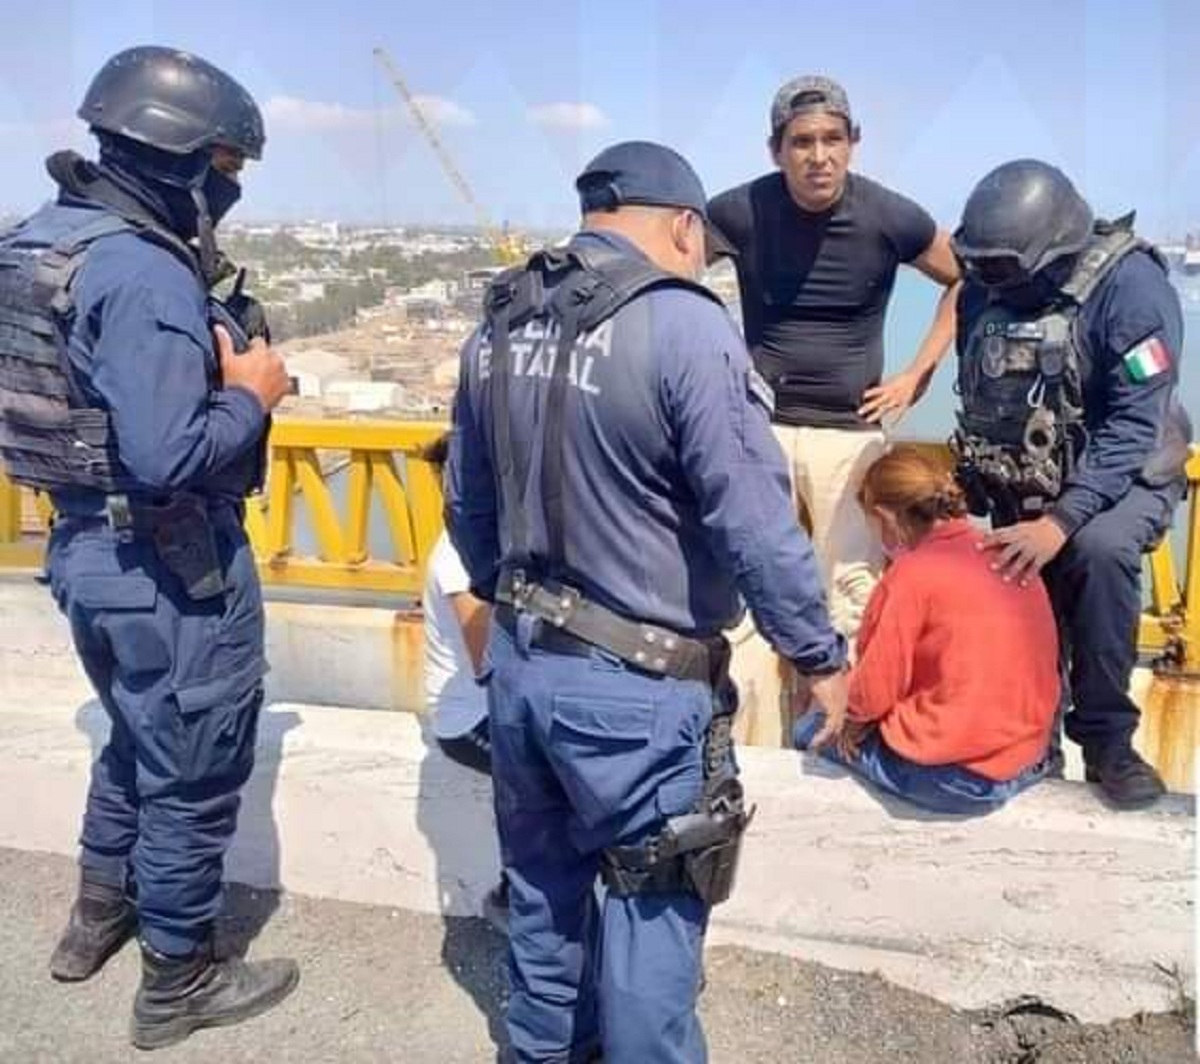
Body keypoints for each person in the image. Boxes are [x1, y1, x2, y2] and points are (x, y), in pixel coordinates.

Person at [445, 140, 849, 1062]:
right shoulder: (684, 324)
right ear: (682, 226)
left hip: (521, 666)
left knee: (546, 916)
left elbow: (467, 504)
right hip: (639, 692)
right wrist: (819, 657)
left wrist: (506, 622)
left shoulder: (498, 321)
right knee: (650, 943)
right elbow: (752, 517)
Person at [0, 46, 297, 1049]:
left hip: (83, 546)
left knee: (132, 735)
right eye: (228, 168)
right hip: (169, 561)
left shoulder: (41, 239)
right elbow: (169, 452)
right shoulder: (140, 269)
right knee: (194, 768)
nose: (231, 191)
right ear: (188, 160)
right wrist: (254, 393)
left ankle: (96, 917)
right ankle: (179, 978)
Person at [950, 158, 1192, 809]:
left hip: (1127, 470)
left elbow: (1135, 424)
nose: (990, 282)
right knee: (1006, 576)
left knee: (1098, 551)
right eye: (982, 268)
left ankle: (1108, 740)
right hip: (1030, 471)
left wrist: (1061, 521)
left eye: (1005, 270)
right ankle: (1031, 732)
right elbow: (978, 389)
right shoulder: (981, 290)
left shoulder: (1133, 289)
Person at [708, 75, 961, 641]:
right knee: (746, 589)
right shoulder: (740, 210)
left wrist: (918, 373)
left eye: (833, 139)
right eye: (801, 142)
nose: (819, 157)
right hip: (760, 427)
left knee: (850, 590)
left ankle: (840, 722)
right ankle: (750, 725)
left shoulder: (889, 216)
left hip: (849, 433)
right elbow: (669, 277)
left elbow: (964, 281)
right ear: (776, 150)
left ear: (853, 142)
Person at [793, 445, 1059, 814]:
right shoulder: (1006, 550)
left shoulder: (910, 575)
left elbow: (871, 694)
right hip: (1025, 759)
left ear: (886, 517)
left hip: (955, 779)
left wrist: (850, 715)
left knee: (809, 729)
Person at [420, 433, 507, 929]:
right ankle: (515, 895)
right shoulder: (458, 556)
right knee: (550, 774)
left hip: (491, 707)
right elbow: (489, 659)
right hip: (470, 719)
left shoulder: (482, 543)